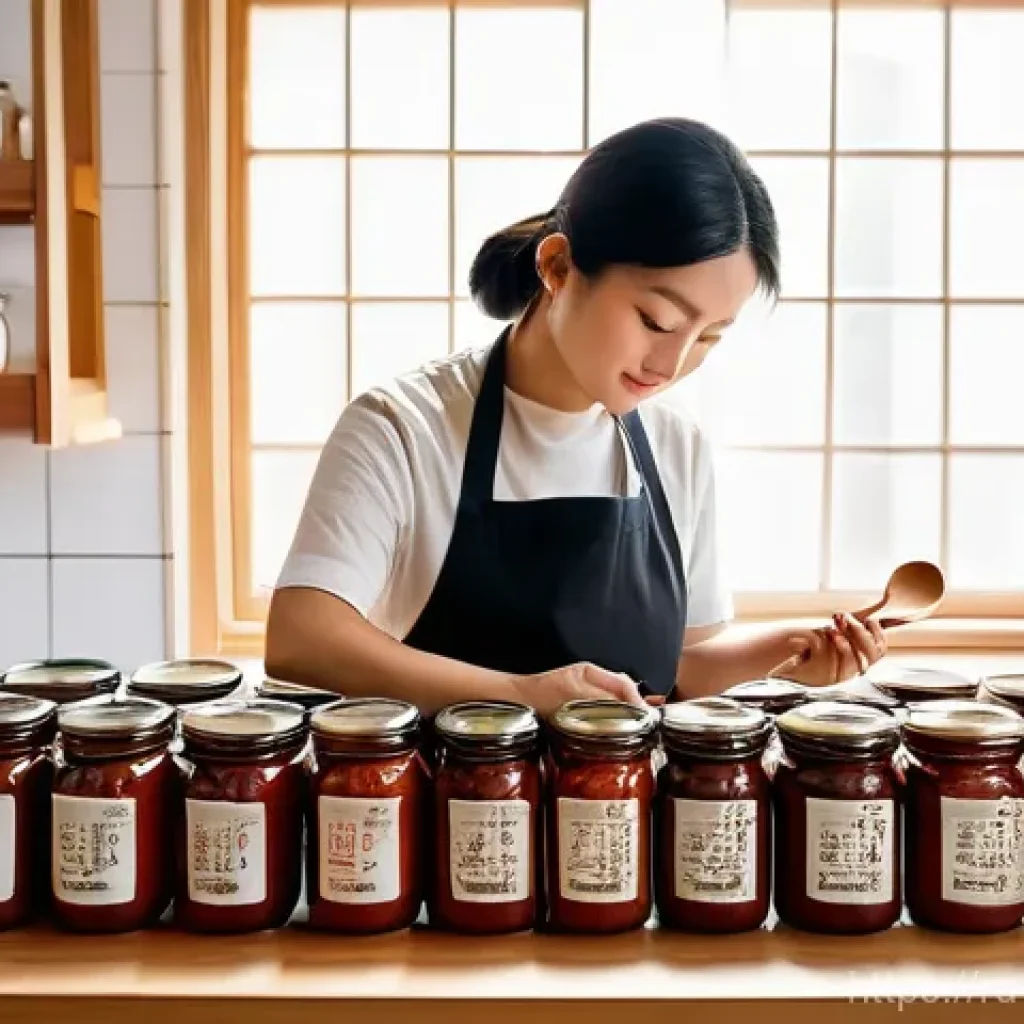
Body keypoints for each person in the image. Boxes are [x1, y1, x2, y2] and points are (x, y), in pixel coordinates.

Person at [265, 117, 886, 717]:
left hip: (623, 791)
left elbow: (676, 669)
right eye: (658, 321)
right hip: (441, 788)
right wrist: (521, 696)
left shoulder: (677, 445)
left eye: (708, 337)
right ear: (558, 266)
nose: (670, 364)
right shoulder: (402, 428)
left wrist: (787, 653)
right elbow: (303, 637)